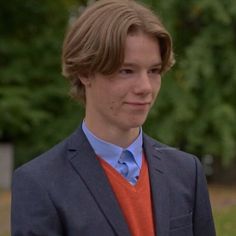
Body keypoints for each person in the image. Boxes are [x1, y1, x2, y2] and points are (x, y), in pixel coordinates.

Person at [11, 0, 216, 235]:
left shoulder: (187, 171)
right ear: (85, 72)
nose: (145, 87)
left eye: (154, 71)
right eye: (126, 71)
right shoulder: (40, 184)